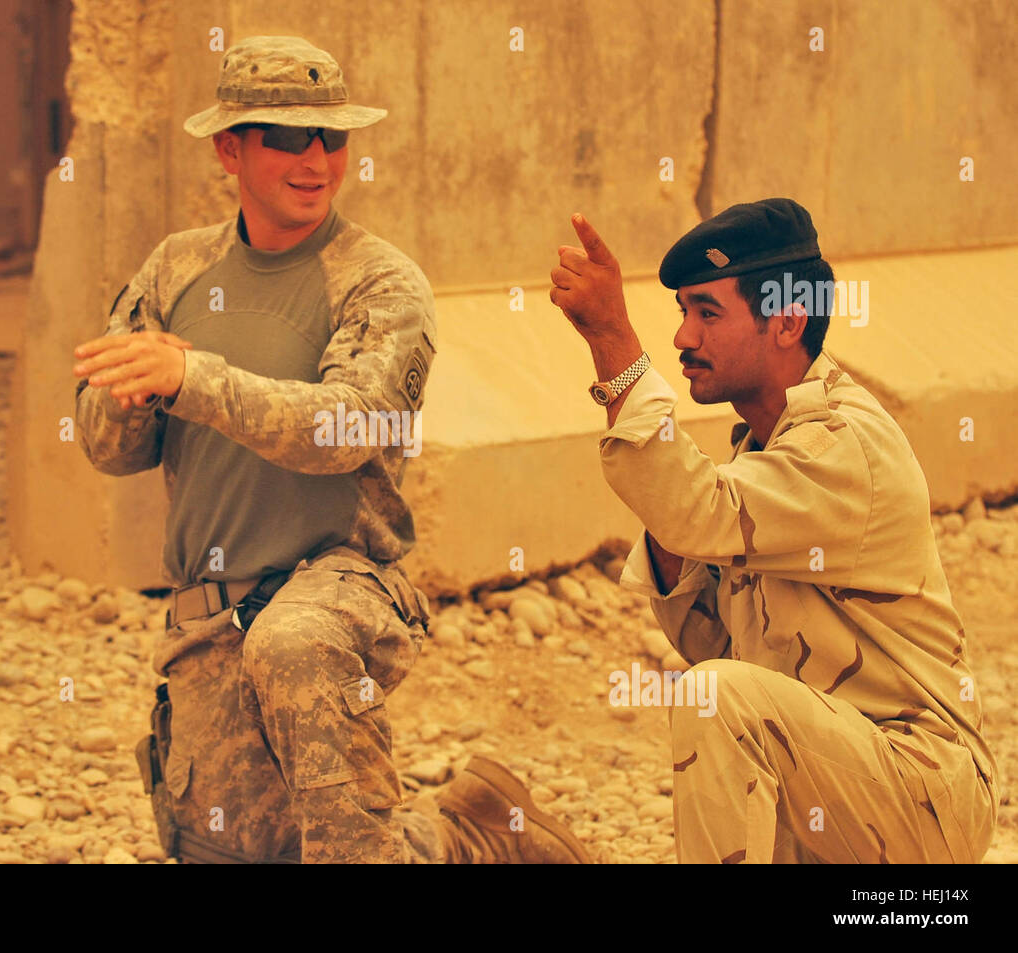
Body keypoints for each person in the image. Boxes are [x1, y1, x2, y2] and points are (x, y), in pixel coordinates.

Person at [72, 35, 586, 864]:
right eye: (287, 137)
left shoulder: (378, 281)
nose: (316, 160)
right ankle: (473, 835)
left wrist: (190, 376)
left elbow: (350, 428)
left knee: (296, 650)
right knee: (259, 847)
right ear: (229, 149)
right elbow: (110, 449)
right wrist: (124, 391)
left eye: (332, 138)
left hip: (338, 589)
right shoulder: (176, 268)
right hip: (209, 618)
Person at [549, 197, 995, 863]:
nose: (683, 338)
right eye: (682, 313)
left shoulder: (843, 444)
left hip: (920, 796)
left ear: (786, 322)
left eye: (708, 313)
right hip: (838, 786)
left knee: (712, 698)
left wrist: (615, 345)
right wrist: (670, 503)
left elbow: (696, 512)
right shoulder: (765, 445)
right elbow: (709, 636)